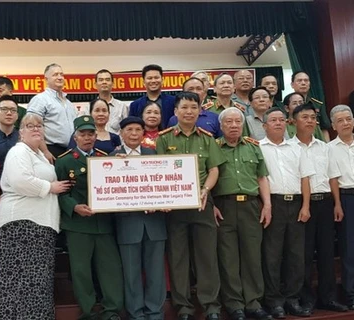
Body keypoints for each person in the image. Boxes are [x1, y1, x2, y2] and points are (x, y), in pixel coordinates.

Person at [0, 113, 70, 320]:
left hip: (39, 225)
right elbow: (20, 181)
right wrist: (50, 187)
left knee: (37, 283)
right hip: (20, 225)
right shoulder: (18, 152)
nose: (36, 129)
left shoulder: (38, 155)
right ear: (21, 132)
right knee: (16, 285)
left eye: (39, 125)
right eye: (29, 126)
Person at [156, 92, 226, 320]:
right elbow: (156, 170)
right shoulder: (164, 139)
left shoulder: (207, 138)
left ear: (199, 111)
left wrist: (205, 190)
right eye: (184, 107)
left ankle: (211, 306)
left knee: (207, 257)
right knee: (178, 258)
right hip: (174, 209)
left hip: (202, 204)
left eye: (193, 107)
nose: (188, 112)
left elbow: (214, 169)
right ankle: (183, 307)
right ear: (175, 112)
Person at [55, 116, 124, 320]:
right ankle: (88, 311)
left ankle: (111, 310)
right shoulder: (65, 160)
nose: (87, 138)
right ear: (75, 137)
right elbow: (60, 193)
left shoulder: (106, 158)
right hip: (78, 225)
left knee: (110, 269)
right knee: (81, 271)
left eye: (91, 133)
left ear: (96, 135)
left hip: (103, 223)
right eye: (82, 134)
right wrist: (74, 207)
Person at [212, 107, 272, 320]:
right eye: (229, 122)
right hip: (224, 207)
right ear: (221, 125)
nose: (234, 125)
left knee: (252, 257)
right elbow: (206, 178)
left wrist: (267, 205)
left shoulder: (253, 147)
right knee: (228, 259)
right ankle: (234, 304)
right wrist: (211, 205)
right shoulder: (214, 147)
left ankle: (253, 302)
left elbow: (261, 177)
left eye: (238, 121)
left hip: (251, 206)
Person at [290, 103, 348, 313]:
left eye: (313, 117)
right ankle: (306, 299)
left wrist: (337, 204)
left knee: (326, 252)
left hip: (325, 202)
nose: (310, 121)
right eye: (304, 117)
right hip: (301, 204)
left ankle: (328, 298)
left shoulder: (325, 147)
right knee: (303, 254)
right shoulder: (288, 147)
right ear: (294, 121)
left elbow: (333, 177)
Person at [110, 116, 167, 320]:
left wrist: (163, 202)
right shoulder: (110, 158)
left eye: (138, 130)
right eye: (129, 130)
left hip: (154, 223)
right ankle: (136, 314)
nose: (134, 134)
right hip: (127, 223)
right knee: (131, 273)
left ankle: (155, 313)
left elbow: (165, 184)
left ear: (144, 133)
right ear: (122, 134)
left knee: (156, 273)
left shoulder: (154, 154)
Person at [259, 108, 314, 319]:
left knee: (296, 255)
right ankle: (273, 301)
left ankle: (293, 298)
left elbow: (305, 178)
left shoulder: (296, 148)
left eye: (282, 120)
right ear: (265, 126)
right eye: (273, 120)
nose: (278, 123)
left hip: (297, 203)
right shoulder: (258, 148)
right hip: (273, 204)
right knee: (272, 255)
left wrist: (306, 206)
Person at [327, 104, 354, 311]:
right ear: (334, 125)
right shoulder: (329, 149)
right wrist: (337, 203)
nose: (346, 123)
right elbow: (333, 179)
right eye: (341, 120)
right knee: (348, 248)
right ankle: (349, 292)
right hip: (346, 198)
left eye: (349, 118)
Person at [27, 63, 77, 161]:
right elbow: (32, 128)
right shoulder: (40, 99)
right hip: (50, 150)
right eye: (55, 75)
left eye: (61, 74)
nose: (59, 77)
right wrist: (45, 151)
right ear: (46, 79)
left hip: (71, 150)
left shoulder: (68, 103)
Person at [129, 64, 175, 129]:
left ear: (162, 80)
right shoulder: (135, 105)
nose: (153, 81)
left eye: (156, 78)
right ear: (144, 82)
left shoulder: (174, 101)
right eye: (149, 78)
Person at [290, 71, 330, 141]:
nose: (303, 83)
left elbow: (324, 128)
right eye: (299, 81)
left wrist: (327, 145)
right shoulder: (287, 103)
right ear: (292, 84)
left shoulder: (317, 104)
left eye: (306, 80)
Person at [95, 69, 129, 134]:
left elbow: (127, 129)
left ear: (112, 84)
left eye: (107, 80)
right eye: (101, 80)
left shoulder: (122, 106)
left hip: (117, 143)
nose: (104, 82)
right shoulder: (88, 107)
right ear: (96, 85)